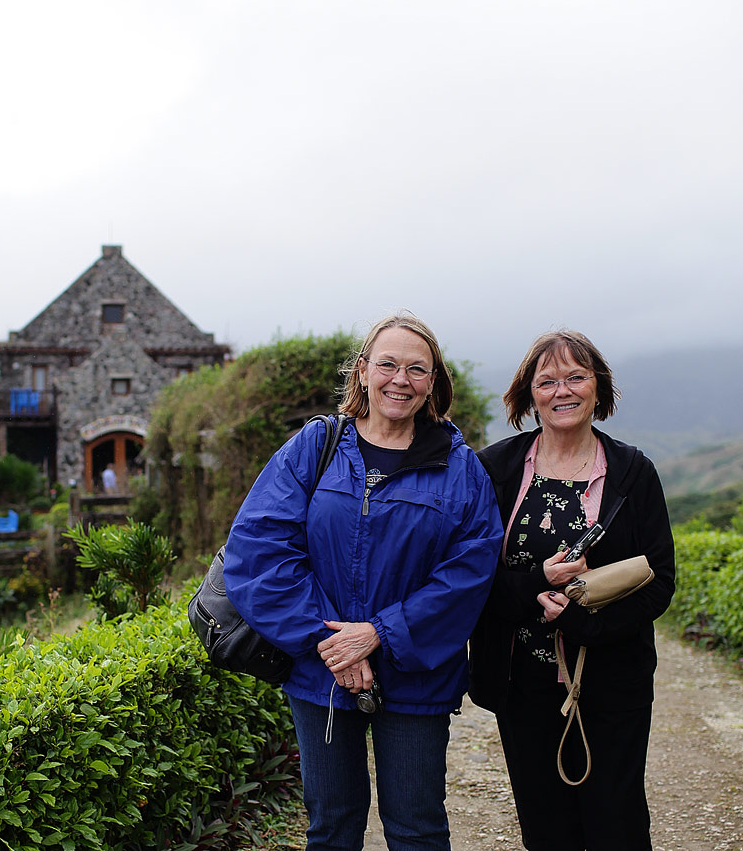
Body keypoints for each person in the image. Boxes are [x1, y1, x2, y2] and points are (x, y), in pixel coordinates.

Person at [224, 312, 503, 851]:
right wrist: (331, 642)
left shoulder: (460, 468)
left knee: (417, 827)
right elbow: (260, 549)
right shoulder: (317, 447)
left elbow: (469, 572)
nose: (401, 379)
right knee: (330, 825)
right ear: (363, 371)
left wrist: (378, 633)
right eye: (389, 364)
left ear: (434, 383)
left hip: (417, 674)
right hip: (320, 671)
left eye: (417, 369)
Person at [469, 330, 675, 851]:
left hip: (614, 678)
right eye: (547, 381)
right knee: (545, 825)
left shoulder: (632, 471)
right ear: (528, 394)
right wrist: (537, 584)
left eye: (576, 377)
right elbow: (469, 579)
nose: (562, 390)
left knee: (617, 821)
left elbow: (660, 581)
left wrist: (584, 622)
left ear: (597, 388)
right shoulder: (495, 469)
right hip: (522, 681)